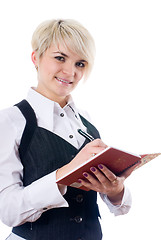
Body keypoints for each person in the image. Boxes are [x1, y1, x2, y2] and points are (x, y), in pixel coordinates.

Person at [0, 19, 139, 240]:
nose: (70, 71)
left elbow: (119, 207)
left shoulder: (86, 122)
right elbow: (7, 210)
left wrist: (115, 190)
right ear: (36, 57)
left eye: (80, 63)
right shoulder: (9, 120)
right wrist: (64, 174)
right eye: (60, 58)